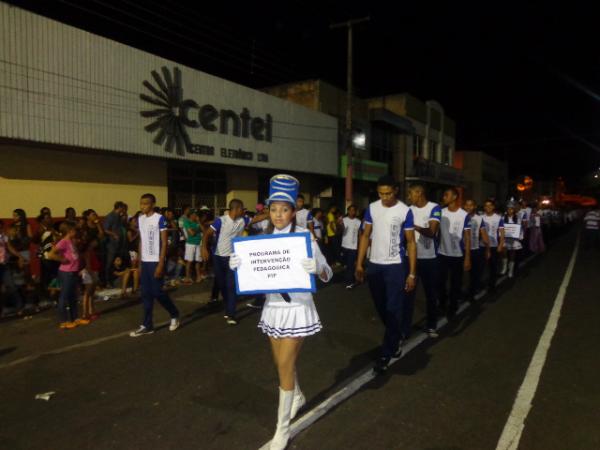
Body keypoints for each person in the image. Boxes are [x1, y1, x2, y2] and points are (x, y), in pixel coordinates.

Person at [229, 174, 332, 450]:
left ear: (293, 211)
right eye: (273, 209)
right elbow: (256, 273)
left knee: (285, 366)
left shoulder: (304, 236)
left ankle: (281, 430)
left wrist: (317, 267)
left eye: (284, 209)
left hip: (297, 309)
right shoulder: (261, 238)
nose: (278, 215)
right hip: (273, 309)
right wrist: (239, 264)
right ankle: (296, 395)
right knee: (280, 365)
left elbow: (327, 272)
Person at [355, 175, 417, 374]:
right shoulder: (372, 208)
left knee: (393, 308)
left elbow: (411, 242)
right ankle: (396, 334)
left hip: (395, 266)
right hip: (374, 265)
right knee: (382, 308)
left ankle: (387, 351)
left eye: (388, 193)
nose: (384, 197)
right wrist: (359, 264)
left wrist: (412, 274)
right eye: (381, 193)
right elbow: (365, 235)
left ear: (395, 191)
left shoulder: (404, 211)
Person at [201, 199, 267, 325]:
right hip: (218, 257)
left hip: (233, 258)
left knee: (231, 286)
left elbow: (257, 219)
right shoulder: (221, 220)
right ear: (236, 209)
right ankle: (228, 306)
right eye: (242, 209)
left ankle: (231, 313)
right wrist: (203, 248)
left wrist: (271, 213)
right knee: (222, 285)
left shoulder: (242, 220)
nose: (244, 211)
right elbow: (207, 234)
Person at [129, 194, 180, 337]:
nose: (142, 206)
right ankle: (147, 325)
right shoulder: (141, 219)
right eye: (141, 204)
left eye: (146, 204)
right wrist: (139, 263)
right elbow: (141, 241)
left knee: (157, 292)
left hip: (156, 261)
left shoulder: (159, 218)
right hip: (145, 262)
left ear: (152, 204)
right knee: (145, 294)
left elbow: (164, 242)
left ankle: (174, 314)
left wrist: (160, 263)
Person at [406, 184, 442, 338]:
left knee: (430, 294)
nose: (409, 197)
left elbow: (432, 232)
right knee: (408, 294)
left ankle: (431, 326)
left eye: (411, 194)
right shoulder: (409, 210)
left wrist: (414, 226)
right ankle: (404, 329)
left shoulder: (435, 208)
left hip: (429, 258)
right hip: (411, 258)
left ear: (419, 193)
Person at [437, 187, 471, 318]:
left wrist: (467, 257)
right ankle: (442, 304)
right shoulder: (441, 212)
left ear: (454, 197)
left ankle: (452, 307)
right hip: (442, 254)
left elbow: (467, 237)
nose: (444, 197)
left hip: (457, 255)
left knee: (455, 283)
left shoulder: (463, 215)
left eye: (446, 194)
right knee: (440, 282)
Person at [48, 222, 89, 329]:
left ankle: (75, 318)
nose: (76, 232)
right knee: (64, 296)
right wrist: (62, 259)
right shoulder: (63, 242)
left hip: (73, 271)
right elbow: (51, 254)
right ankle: (63, 321)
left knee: (72, 296)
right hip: (66, 272)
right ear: (70, 231)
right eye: (74, 230)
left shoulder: (71, 241)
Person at [464, 199, 490, 302]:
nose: (468, 207)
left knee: (474, 274)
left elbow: (484, 235)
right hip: (461, 250)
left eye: (471, 205)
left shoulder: (479, 219)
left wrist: (488, 250)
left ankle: (472, 293)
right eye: (466, 205)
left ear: (474, 207)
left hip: (475, 249)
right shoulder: (461, 217)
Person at [481, 199, 505, 292]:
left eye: (490, 205)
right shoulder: (481, 217)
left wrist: (500, 245)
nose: (488, 207)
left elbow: (502, 232)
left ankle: (492, 285)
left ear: (493, 207)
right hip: (482, 245)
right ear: (484, 207)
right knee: (482, 266)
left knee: (493, 266)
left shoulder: (498, 218)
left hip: (494, 245)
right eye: (486, 206)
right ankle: (481, 284)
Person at [103, 201, 126, 287]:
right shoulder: (110, 216)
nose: (124, 210)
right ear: (119, 207)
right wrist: (114, 234)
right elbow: (105, 229)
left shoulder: (118, 217)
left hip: (118, 244)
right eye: (123, 208)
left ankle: (115, 281)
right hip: (111, 244)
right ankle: (107, 281)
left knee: (116, 263)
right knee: (109, 263)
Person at [340, 205, 361, 289]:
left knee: (350, 265)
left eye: (353, 210)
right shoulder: (344, 220)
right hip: (344, 245)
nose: (352, 212)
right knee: (345, 264)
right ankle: (347, 278)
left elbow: (359, 234)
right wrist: (340, 224)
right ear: (348, 211)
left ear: (355, 212)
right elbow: (341, 231)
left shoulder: (358, 221)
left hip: (353, 247)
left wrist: (359, 246)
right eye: (350, 210)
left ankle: (349, 282)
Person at [81, 236, 101, 320]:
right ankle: (85, 313)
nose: (96, 243)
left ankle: (91, 310)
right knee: (87, 293)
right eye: (95, 241)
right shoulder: (87, 252)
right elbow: (88, 265)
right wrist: (92, 275)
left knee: (92, 293)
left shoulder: (91, 250)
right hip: (89, 273)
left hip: (93, 271)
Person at [503, 201, 524, 278]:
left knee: (512, 254)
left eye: (511, 209)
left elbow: (520, 228)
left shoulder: (517, 218)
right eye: (508, 209)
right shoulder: (503, 217)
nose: (510, 210)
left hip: (514, 239)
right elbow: (501, 228)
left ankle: (511, 270)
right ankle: (504, 267)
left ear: (514, 210)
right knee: (504, 254)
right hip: (505, 239)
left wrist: (520, 236)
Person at [182, 209, 203, 284]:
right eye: (195, 215)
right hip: (190, 244)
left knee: (198, 261)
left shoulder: (197, 222)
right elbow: (192, 233)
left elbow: (203, 230)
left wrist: (199, 223)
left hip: (198, 243)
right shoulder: (187, 222)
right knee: (189, 261)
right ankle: (187, 277)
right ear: (191, 215)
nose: (196, 216)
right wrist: (197, 230)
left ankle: (198, 276)